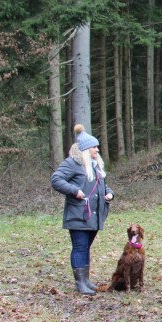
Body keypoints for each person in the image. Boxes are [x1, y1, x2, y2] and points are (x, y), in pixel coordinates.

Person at [50, 124, 114, 295]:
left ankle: (85, 281)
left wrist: (109, 193)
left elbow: (102, 185)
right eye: (94, 147)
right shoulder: (72, 163)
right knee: (80, 247)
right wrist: (75, 191)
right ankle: (80, 284)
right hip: (78, 214)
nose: (97, 150)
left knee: (85, 248)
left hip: (94, 216)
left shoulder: (95, 165)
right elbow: (56, 179)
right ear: (86, 149)